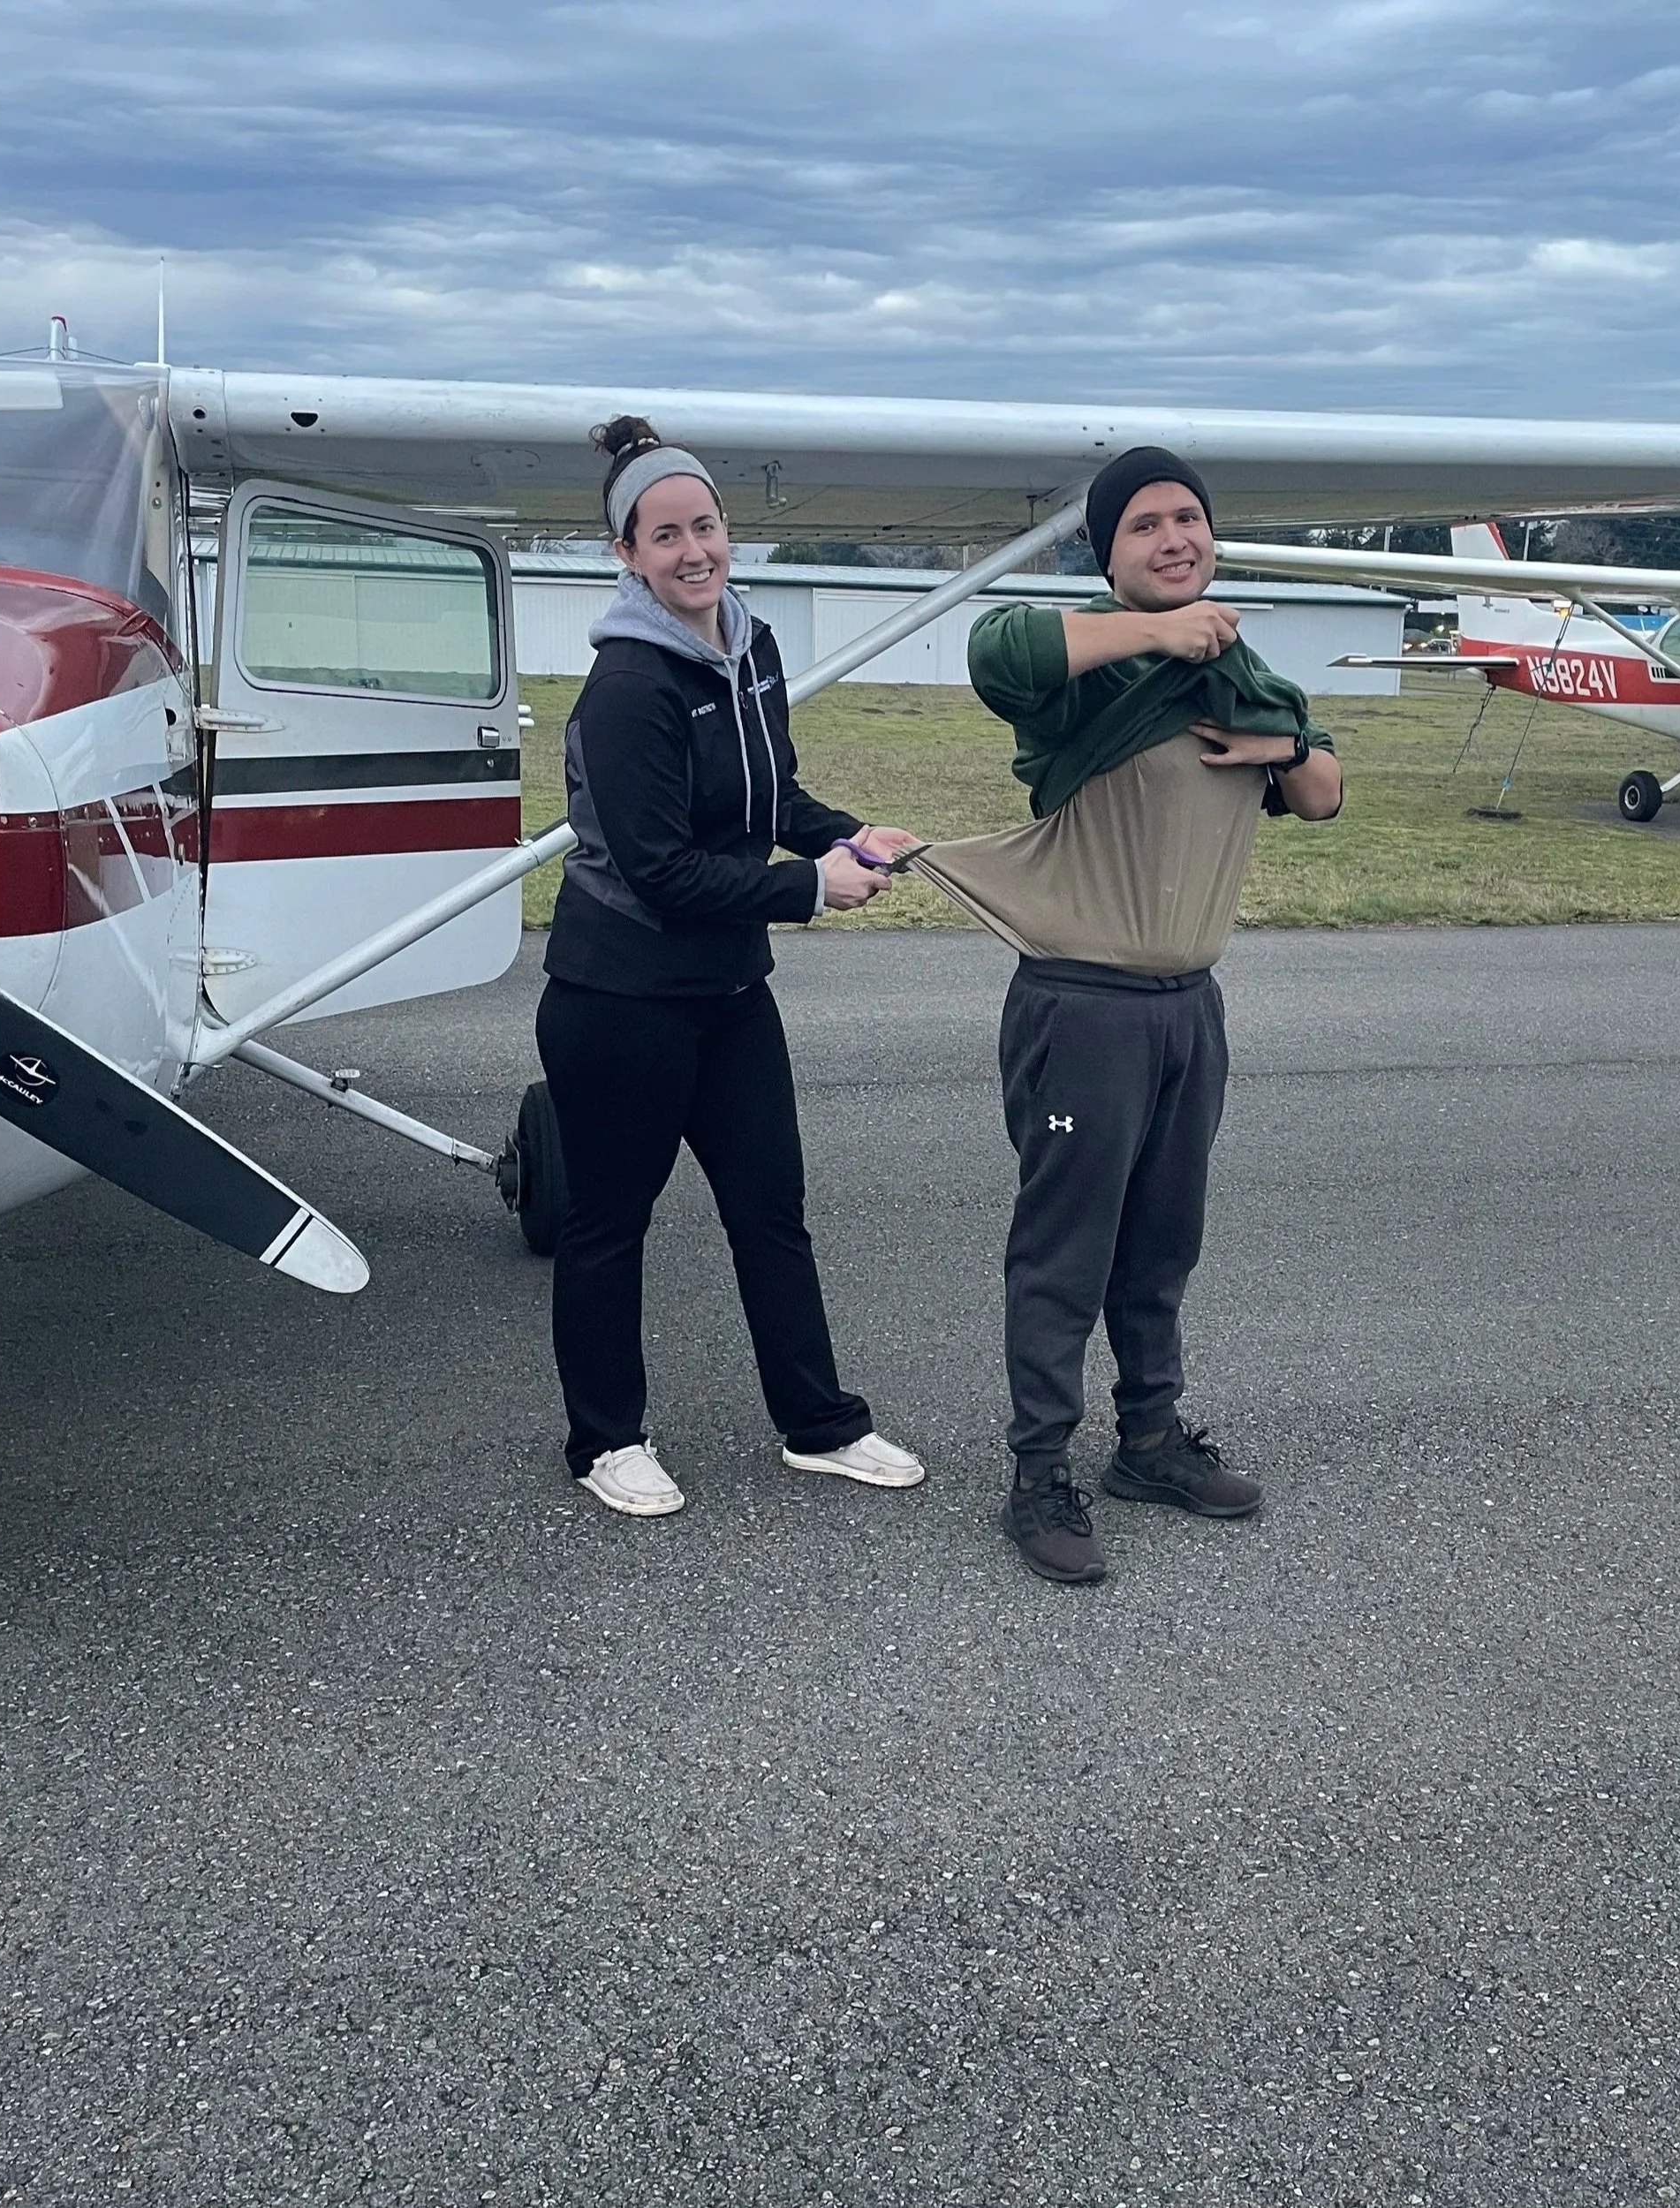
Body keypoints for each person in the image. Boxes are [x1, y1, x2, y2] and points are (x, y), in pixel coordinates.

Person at [912, 447, 1343, 1584]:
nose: (1173, 538)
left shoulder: (1242, 671)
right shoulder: (1086, 668)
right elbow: (993, 650)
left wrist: (1284, 745)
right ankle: (1038, 1471)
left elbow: (1325, 791)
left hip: (1187, 1009)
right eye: (1144, 524)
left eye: (1188, 519)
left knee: (1161, 1242)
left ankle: (1148, 1441)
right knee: (1065, 1252)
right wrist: (1163, 632)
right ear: (1108, 555)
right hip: (1081, 1005)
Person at [534, 414, 925, 1518]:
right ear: (627, 555)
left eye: (704, 525)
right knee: (610, 1224)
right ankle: (604, 1439)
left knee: (771, 1209)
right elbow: (658, 872)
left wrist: (847, 837)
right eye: (664, 535)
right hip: (617, 999)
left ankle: (819, 1425)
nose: (692, 550)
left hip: (726, 992)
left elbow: (773, 802)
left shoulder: (749, 648)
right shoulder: (628, 686)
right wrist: (809, 891)